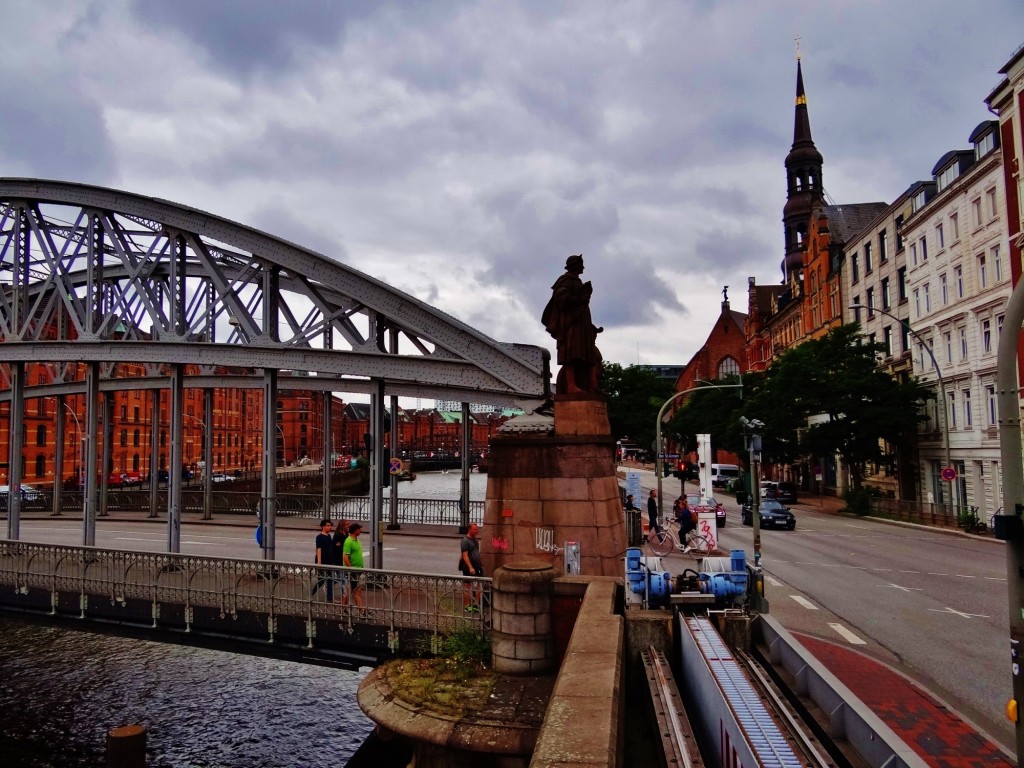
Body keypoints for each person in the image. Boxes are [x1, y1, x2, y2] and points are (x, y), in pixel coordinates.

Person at [541, 254, 604, 394]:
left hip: (582, 324)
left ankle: (593, 385)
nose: (584, 267)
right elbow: (561, 298)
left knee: (589, 356)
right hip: (572, 325)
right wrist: (579, 299)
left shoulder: (576, 281)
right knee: (572, 355)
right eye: (581, 264)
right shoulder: (566, 281)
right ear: (576, 265)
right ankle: (571, 386)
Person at [459, 523, 484, 613]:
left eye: (477, 529)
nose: (476, 531)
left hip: (477, 566)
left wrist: (480, 562)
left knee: (479, 585)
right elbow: (464, 555)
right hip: (468, 567)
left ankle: (476, 604)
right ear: (469, 529)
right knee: (467, 586)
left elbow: (477, 551)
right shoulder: (465, 541)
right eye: (474, 529)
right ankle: (467, 606)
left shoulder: (475, 539)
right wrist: (470, 567)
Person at [311, 519, 335, 602]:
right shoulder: (319, 537)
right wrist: (319, 563)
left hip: (329, 561)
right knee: (320, 581)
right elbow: (319, 549)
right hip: (322, 561)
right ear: (323, 526)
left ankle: (330, 598)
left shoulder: (329, 536)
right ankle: (311, 594)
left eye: (330, 525)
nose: (330, 527)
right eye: (328, 526)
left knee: (330, 580)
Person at [343, 522, 366, 610]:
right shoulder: (348, 541)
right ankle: (362, 611)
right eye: (359, 529)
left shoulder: (356, 540)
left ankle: (344, 609)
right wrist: (351, 569)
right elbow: (345, 557)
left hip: (357, 570)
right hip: (352, 571)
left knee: (350, 592)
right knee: (357, 592)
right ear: (354, 531)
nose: (360, 530)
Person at [332, 518, 350, 603]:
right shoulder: (338, 535)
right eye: (347, 524)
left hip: (344, 560)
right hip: (338, 560)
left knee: (342, 579)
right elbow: (336, 549)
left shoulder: (346, 534)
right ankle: (344, 597)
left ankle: (344, 596)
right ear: (343, 525)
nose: (348, 526)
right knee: (343, 580)